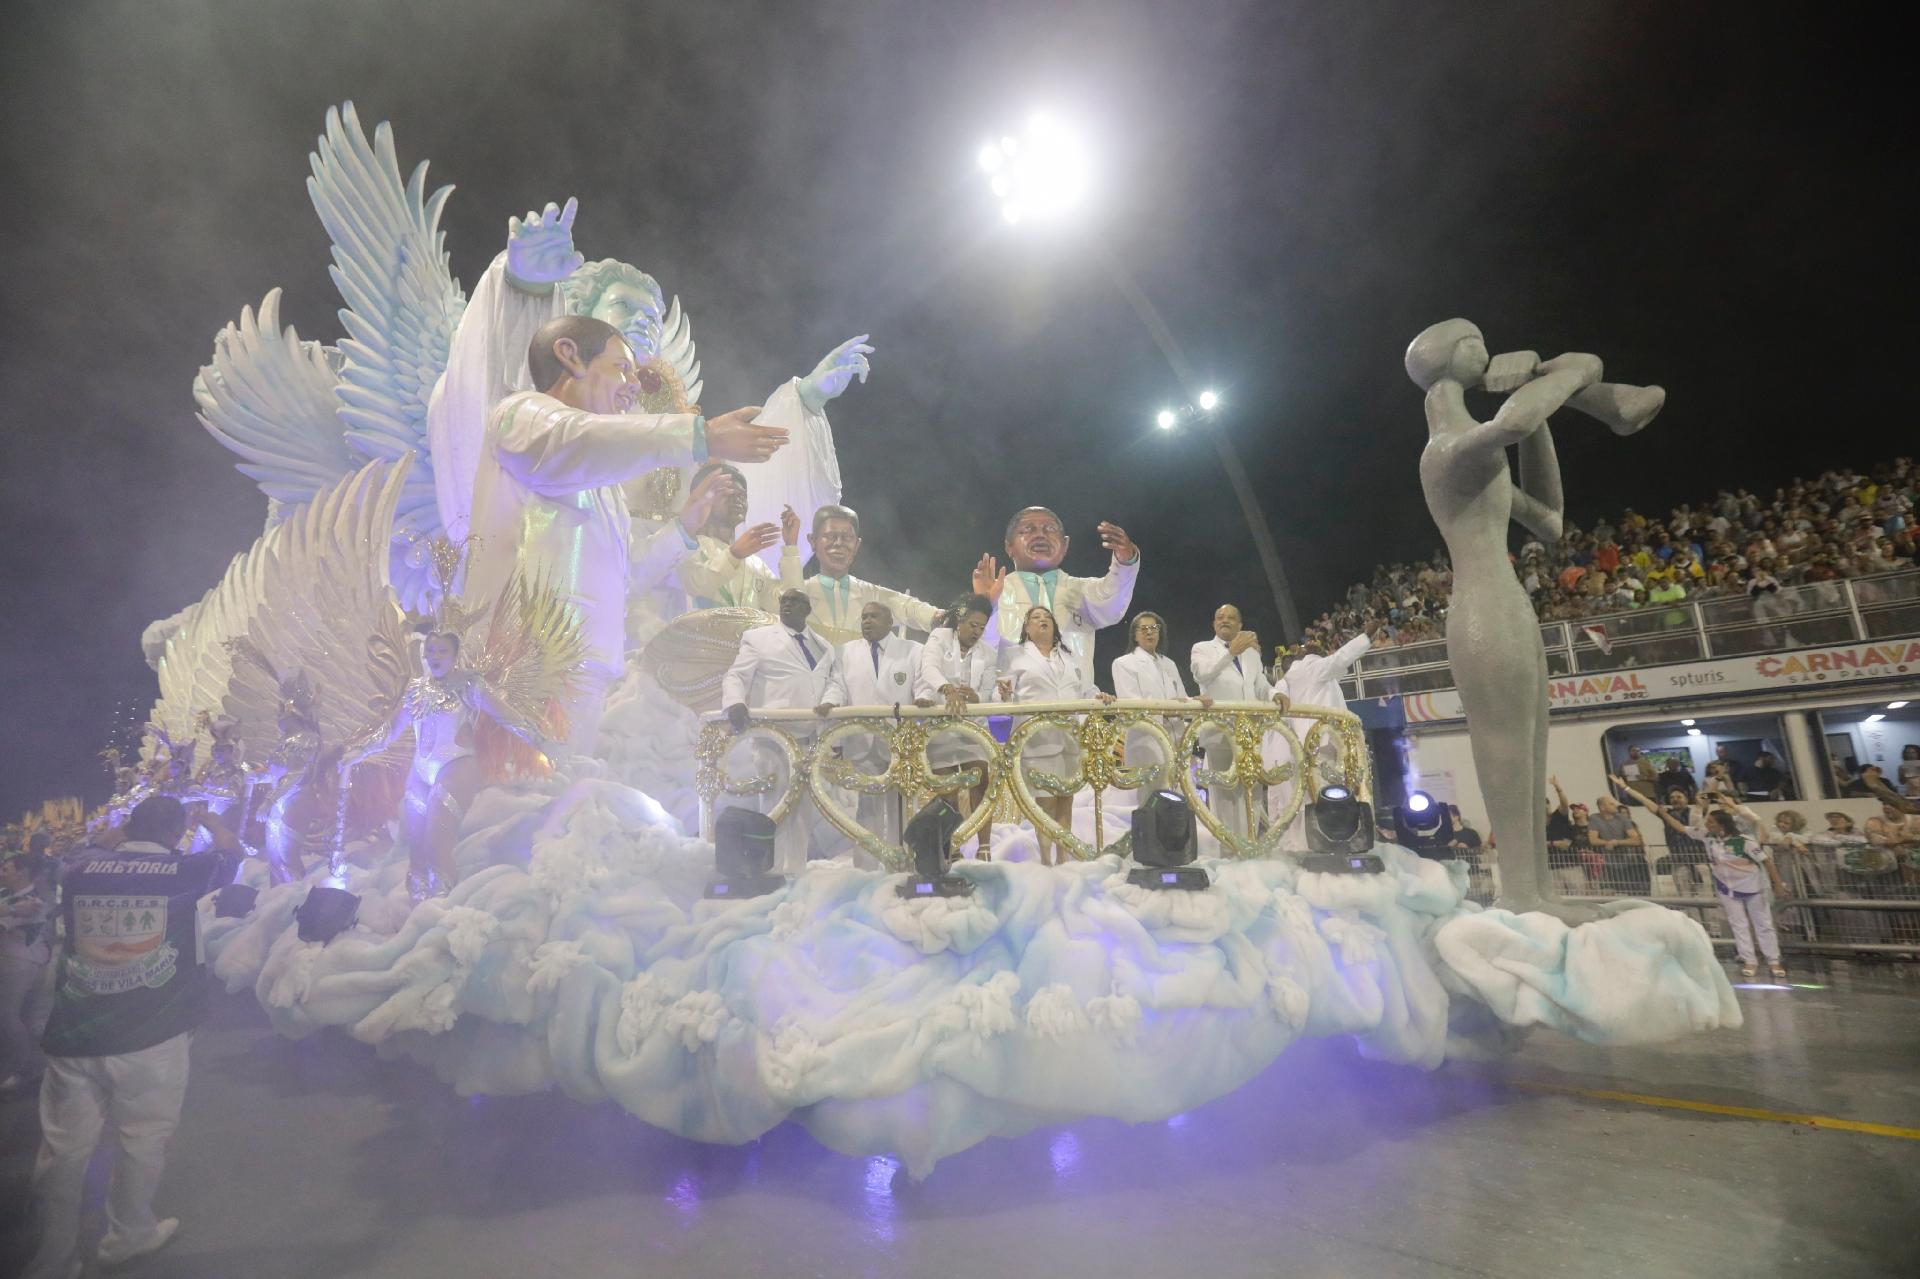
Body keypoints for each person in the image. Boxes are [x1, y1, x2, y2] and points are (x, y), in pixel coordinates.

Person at [1406, 318, 1660, 919]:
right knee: (1503, 745)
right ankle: (1519, 893)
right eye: (1473, 343)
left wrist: (1549, 404)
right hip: (1481, 609)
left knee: (1532, 746)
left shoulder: (1481, 449)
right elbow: (1512, 421)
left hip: (1509, 604)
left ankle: (1538, 892)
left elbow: (1548, 518)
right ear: (1447, 361)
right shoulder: (1442, 449)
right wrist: (1578, 370)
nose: (1486, 350)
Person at [462, 312, 787, 755]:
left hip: (586, 666)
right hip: (521, 666)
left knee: (562, 804)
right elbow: (573, 443)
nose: (635, 385)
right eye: (623, 367)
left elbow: (626, 575)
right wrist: (699, 436)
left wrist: (684, 529)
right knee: (515, 802)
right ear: (569, 355)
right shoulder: (521, 414)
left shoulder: (605, 485)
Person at [23, 797, 240, 1279]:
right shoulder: (188, 871)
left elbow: (84, 849)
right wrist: (210, 819)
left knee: (62, 1152)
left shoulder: (78, 869)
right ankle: (128, 1235)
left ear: (129, 826)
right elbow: (232, 849)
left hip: (76, 1032)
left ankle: (50, 1262)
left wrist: (114, 834)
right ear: (177, 833)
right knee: (142, 1139)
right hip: (152, 1035)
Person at [342, 630, 553, 900]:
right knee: (416, 851)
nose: (435, 657)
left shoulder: (469, 686)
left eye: (442, 651)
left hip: (455, 765)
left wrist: (540, 741)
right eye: (430, 651)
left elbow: (507, 716)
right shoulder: (415, 690)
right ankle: (418, 915)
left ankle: (440, 913)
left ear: (455, 655)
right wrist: (359, 751)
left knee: (437, 840)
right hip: (420, 771)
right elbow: (389, 731)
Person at [720, 591, 843, 875]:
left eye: (794, 601)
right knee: (775, 803)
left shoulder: (823, 646)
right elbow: (736, 675)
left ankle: (795, 871)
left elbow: (834, 681)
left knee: (802, 810)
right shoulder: (759, 638)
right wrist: (735, 703)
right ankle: (770, 871)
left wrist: (830, 702)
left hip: (811, 738)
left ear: (808, 608)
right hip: (773, 737)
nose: (786, 604)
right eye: (783, 601)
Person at [1616, 779, 1787, 978]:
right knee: (1738, 924)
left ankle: (1774, 961)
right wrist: (1663, 814)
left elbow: (1766, 862)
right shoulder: (1707, 836)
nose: (1707, 825)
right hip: (1728, 889)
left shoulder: (1744, 841)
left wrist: (1777, 885)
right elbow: (1681, 828)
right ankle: (1749, 960)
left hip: (1753, 888)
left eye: (1711, 822)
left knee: (1763, 924)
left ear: (1722, 824)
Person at [973, 506, 1139, 690]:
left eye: (1050, 529)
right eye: (1028, 530)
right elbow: (981, 649)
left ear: (1065, 545)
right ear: (1009, 546)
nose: (1040, 535)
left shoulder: (1081, 590)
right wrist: (986, 605)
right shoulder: (997, 592)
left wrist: (1125, 562)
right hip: (1014, 708)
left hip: (1074, 706)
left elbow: (1113, 602)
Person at [998, 605, 1114, 866]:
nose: (1042, 620)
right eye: (1035, 618)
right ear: (1027, 629)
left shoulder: (1070, 657)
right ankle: (1046, 859)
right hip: (1038, 741)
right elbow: (1001, 692)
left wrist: (1100, 696)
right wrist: (1003, 692)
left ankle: (1064, 856)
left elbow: (1086, 689)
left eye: (1047, 617)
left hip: (1070, 740)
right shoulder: (1015, 656)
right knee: (1047, 802)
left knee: (1066, 800)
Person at [915, 594, 1001, 860]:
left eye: (982, 627)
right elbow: (928, 668)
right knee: (948, 794)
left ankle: (984, 847)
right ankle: (950, 848)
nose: (977, 632)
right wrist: (947, 688)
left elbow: (987, 692)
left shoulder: (988, 652)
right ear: (960, 621)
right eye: (973, 625)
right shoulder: (940, 638)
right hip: (941, 730)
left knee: (982, 783)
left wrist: (976, 697)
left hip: (972, 729)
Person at [833, 602, 924, 847]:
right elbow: (837, 688)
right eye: (864, 617)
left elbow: (923, 685)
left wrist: (925, 698)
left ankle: (903, 859)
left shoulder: (913, 650)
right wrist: (830, 709)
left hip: (900, 741)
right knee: (867, 807)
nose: (867, 621)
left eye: (873, 616)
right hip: (862, 740)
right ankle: (867, 865)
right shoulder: (845, 652)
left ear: (889, 622)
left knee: (903, 805)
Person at [1190, 604, 1282, 841]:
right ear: (1213, 624)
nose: (1225, 621)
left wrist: (1274, 694)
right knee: (1224, 791)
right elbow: (1203, 674)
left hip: (1250, 731)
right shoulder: (1202, 649)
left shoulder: (1251, 654)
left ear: (1240, 625)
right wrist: (1231, 652)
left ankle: (1251, 842)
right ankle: (1229, 848)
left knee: (1251, 787)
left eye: (1231, 618)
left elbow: (1259, 684)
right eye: (1220, 617)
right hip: (1220, 732)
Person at [1271, 632, 1372, 845]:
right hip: (1319, 747)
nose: (1314, 645)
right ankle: (1319, 844)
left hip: (1317, 746)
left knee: (1317, 798)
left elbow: (1337, 667)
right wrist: (1367, 636)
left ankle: (1318, 843)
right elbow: (1341, 658)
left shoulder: (1311, 674)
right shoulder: (1310, 667)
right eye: (1311, 647)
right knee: (1321, 797)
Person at [670, 460, 806, 613]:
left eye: (743, 495)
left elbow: (792, 610)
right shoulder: (686, 548)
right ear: (702, 499)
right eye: (728, 493)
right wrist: (734, 554)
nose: (738, 499)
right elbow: (694, 584)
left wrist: (790, 548)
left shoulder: (755, 564)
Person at [801, 504, 943, 649]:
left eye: (847, 537)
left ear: (856, 545)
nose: (839, 543)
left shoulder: (870, 594)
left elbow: (908, 607)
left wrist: (939, 617)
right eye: (830, 536)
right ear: (813, 541)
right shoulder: (797, 593)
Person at [1110, 611, 1200, 791]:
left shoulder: (1169, 664)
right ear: (1135, 635)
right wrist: (1170, 709)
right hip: (1147, 741)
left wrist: (1194, 701)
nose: (1149, 632)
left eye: (1153, 628)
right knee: (1152, 801)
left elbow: (1181, 698)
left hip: (1177, 740)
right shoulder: (1124, 663)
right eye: (1143, 629)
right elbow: (1132, 704)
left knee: (1181, 798)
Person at [1, 852, 55, 1094]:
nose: (2, 872)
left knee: (8, 1016)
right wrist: (10, 908)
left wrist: (8, 910)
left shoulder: (36, 901)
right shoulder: (10, 898)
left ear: (23, 872)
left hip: (21, 965)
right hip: (12, 962)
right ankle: (31, 1066)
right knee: (20, 1018)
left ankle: (24, 1067)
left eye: (6, 869)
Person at [1585, 793, 1649, 895]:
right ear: (1602, 807)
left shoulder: (1623, 818)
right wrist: (1607, 843)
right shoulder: (1594, 818)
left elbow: (1636, 840)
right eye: (1611, 804)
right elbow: (1593, 840)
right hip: (1607, 863)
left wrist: (1617, 842)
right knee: (1609, 893)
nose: (1615, 805)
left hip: (1627, 862)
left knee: (1631, 892)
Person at [1545, 776, 1584, 895]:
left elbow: (1564, 803)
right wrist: (1554, 843)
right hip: (1551, 866)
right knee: (1558, 897)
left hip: (1570, 863)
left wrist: (1558, 788)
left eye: (1546, 804)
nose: (1544, 807)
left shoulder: (1558, 816)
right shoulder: (1534, 825)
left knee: (1580, 894)